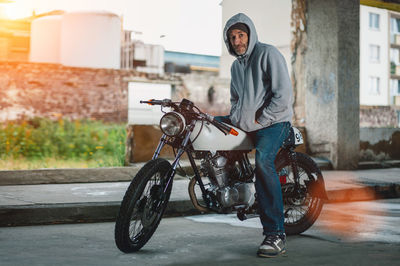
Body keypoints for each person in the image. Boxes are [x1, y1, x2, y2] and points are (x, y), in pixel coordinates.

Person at [216, 13, 293, 258]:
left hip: (274, 122)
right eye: (232, 37)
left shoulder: (268, 54)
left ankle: (275, 234)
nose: (237, 40)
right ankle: (230, 189)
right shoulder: (235, 66)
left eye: (241, 35)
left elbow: (283, 96)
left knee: (263, 161)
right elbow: (236, 99)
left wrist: (261, 118)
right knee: (208, 125)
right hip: (248, 122)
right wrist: (237, 118)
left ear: (249, 34)